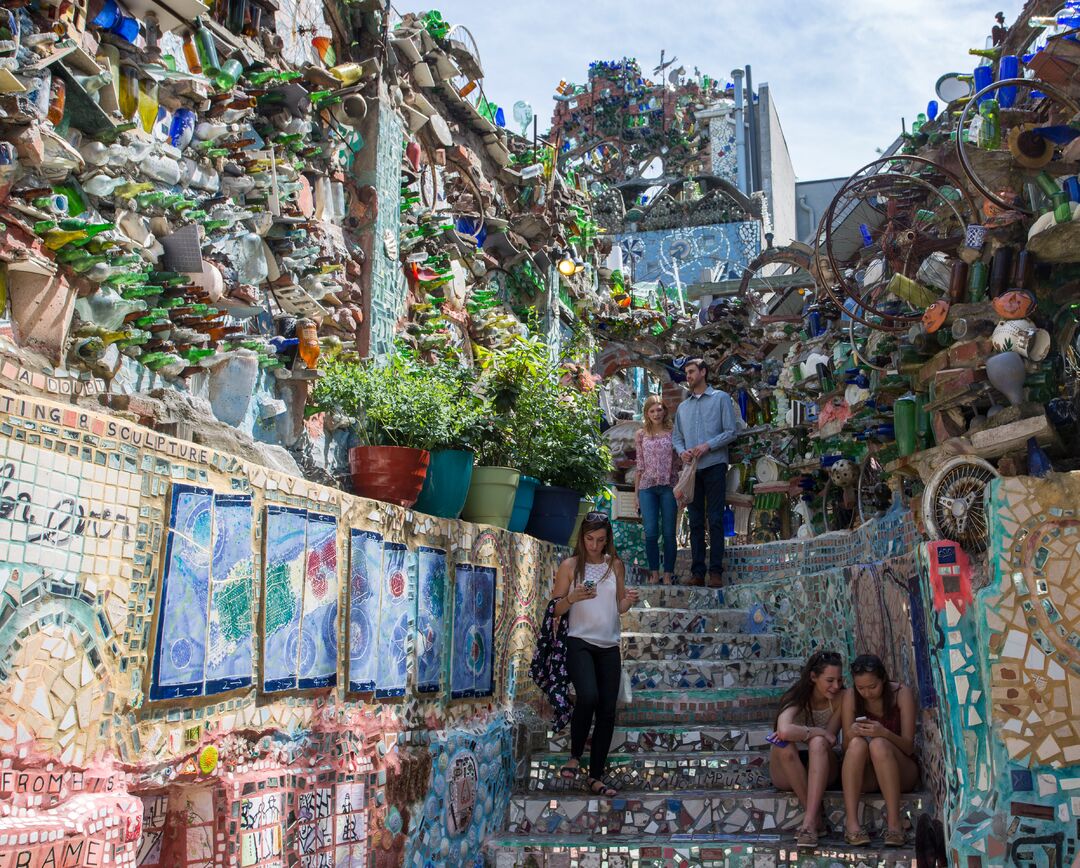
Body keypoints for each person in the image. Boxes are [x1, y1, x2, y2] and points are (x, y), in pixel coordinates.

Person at [549, 512, 639, 796]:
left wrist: (628, 601)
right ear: (582, 538)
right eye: (589, 539)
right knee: (588, 696)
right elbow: (554, 610)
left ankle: (596, 776)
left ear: (607, 539)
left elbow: (619, 606)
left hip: (609, 645)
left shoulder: (616, 566)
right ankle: (575, 754)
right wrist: (571, 598)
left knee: (608, 711)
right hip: (579, 642)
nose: (594, 545)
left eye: (600, 540)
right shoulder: (570, 566)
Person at [671, 357, 740, 587]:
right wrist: (682, 452)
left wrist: (707, 445)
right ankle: (698, 572)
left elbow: (732, 432)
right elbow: (677, 438)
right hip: (692, 471)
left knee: (716, 518)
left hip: (715, 465)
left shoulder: (721, 399)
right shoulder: (683, 407)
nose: (688, 376)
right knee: (696, 521)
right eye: (687, 373)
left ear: (703, 372)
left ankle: (716, 572)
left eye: (691, 371)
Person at [840, 654, 919, 848]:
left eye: (872, 686)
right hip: (868, 775)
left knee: (878, 744)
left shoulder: (901, 693)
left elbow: (909, 746)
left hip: (902, 771)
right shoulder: (851, 696)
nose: (867, 693)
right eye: (861, 688)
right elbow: (845, 748)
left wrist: (884, 733)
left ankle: (894, 825)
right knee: (857, 744)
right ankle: (852, 825)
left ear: (883, 678)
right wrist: (850, 733)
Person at [768, 650, 845, 849]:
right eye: (829, 680)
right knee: (783, 746)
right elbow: (783, 731)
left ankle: (810, 822)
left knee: (818, 743)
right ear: (813, 677)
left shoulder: (841, 698)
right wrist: (816, 730)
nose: (836, 686)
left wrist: (805, 733)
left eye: (839, 680)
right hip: (787, 769)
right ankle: (817, 818)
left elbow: (828, 740)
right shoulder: (797, 696)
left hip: (822, 765)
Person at [634, 394, 679, 585]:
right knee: (651, 531)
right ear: (646, 414)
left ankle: (667, 573)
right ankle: (654, 572)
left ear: (664, 410)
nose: (656, 413)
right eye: (652, 410)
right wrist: (636, 495)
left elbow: (679, 459)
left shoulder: (673, 432)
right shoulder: (641, 434)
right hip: (647, 488)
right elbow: (639, 465)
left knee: (669, 532)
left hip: (669, 486)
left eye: (659, 409)